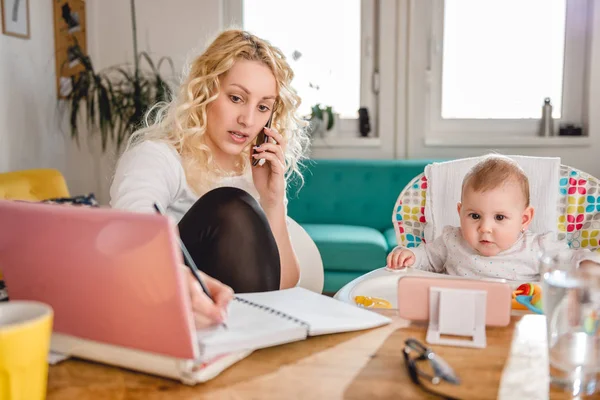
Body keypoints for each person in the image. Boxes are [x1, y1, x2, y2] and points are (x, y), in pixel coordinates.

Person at [110, 29, 310, 327]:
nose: (248, 120)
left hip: (240, 323)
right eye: (236, 98)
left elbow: (282, 286)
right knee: (231, 205)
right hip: (165, 313)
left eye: (263, 107)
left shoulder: (255, 172)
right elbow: (129, 239)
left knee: (238, 203)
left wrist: (271, 201)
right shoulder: (157, 157)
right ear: (205, 91)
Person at [386, 155, 598, 281]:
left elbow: (573, 258)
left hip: (517, 324)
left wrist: (588, 265)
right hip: (461, 317)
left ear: (524, 219)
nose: (485, 227)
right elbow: (427, 258)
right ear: (460, 212)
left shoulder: (539, 248)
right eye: (475, 216)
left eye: (499, 217)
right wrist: (409, 255)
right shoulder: (452, 240)